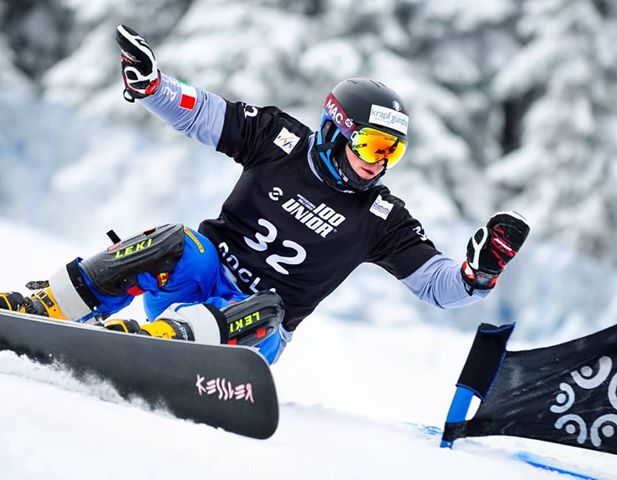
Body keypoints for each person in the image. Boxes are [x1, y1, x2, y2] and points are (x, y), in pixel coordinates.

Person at [0, 26, 530, 365]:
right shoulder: (281, 140)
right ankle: (50, 304)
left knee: (269, 307)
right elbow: (203, 114)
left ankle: (164, 345)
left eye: (393, 149)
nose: (379, 159)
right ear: (337, 129)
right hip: (200, 275)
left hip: (252, 330)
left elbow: (436, 286)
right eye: (370, 141)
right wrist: (152, 86)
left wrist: (476, 274)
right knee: (172, 240)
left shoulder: (381, 216)